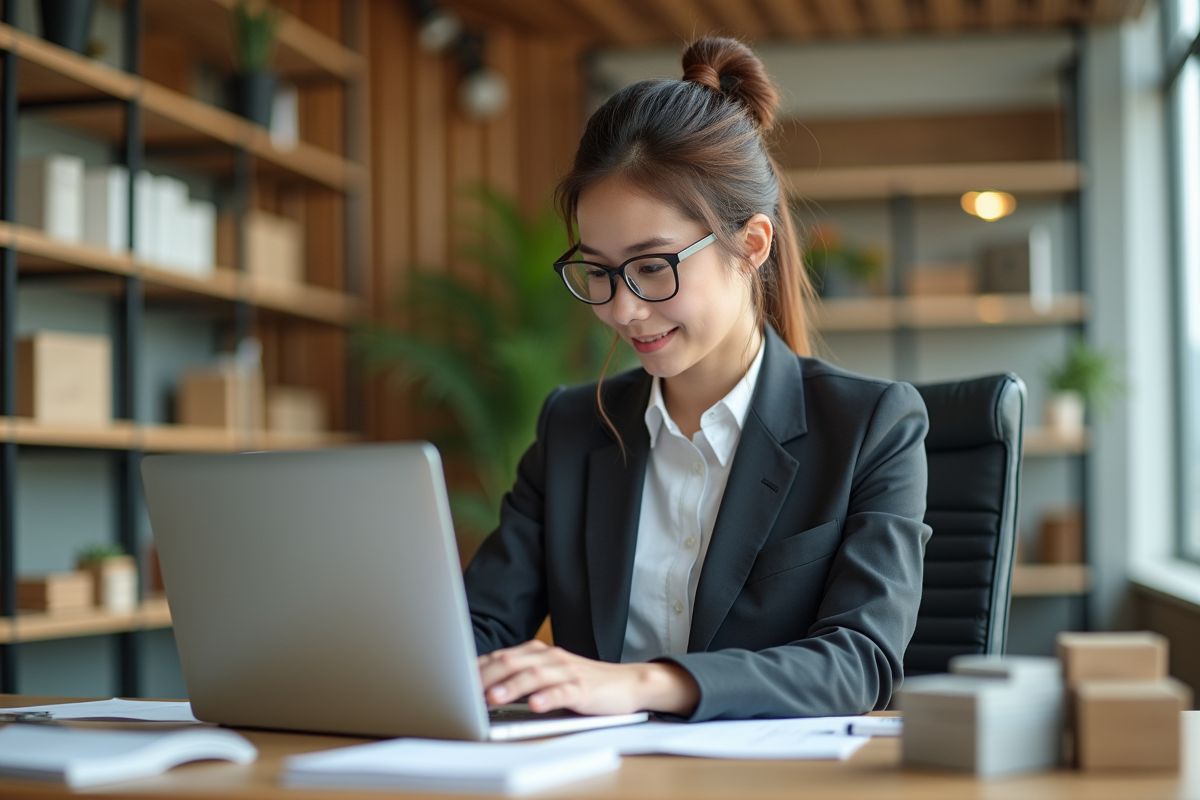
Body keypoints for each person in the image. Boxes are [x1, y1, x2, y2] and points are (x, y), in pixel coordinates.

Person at [463, 37, 931, 722]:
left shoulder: (871, 428)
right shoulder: (571, 429)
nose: (622, 308)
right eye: (599, 271)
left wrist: (639, 684)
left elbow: (858, 662)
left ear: (752, 245)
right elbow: (477, 630)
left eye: (653, 266)